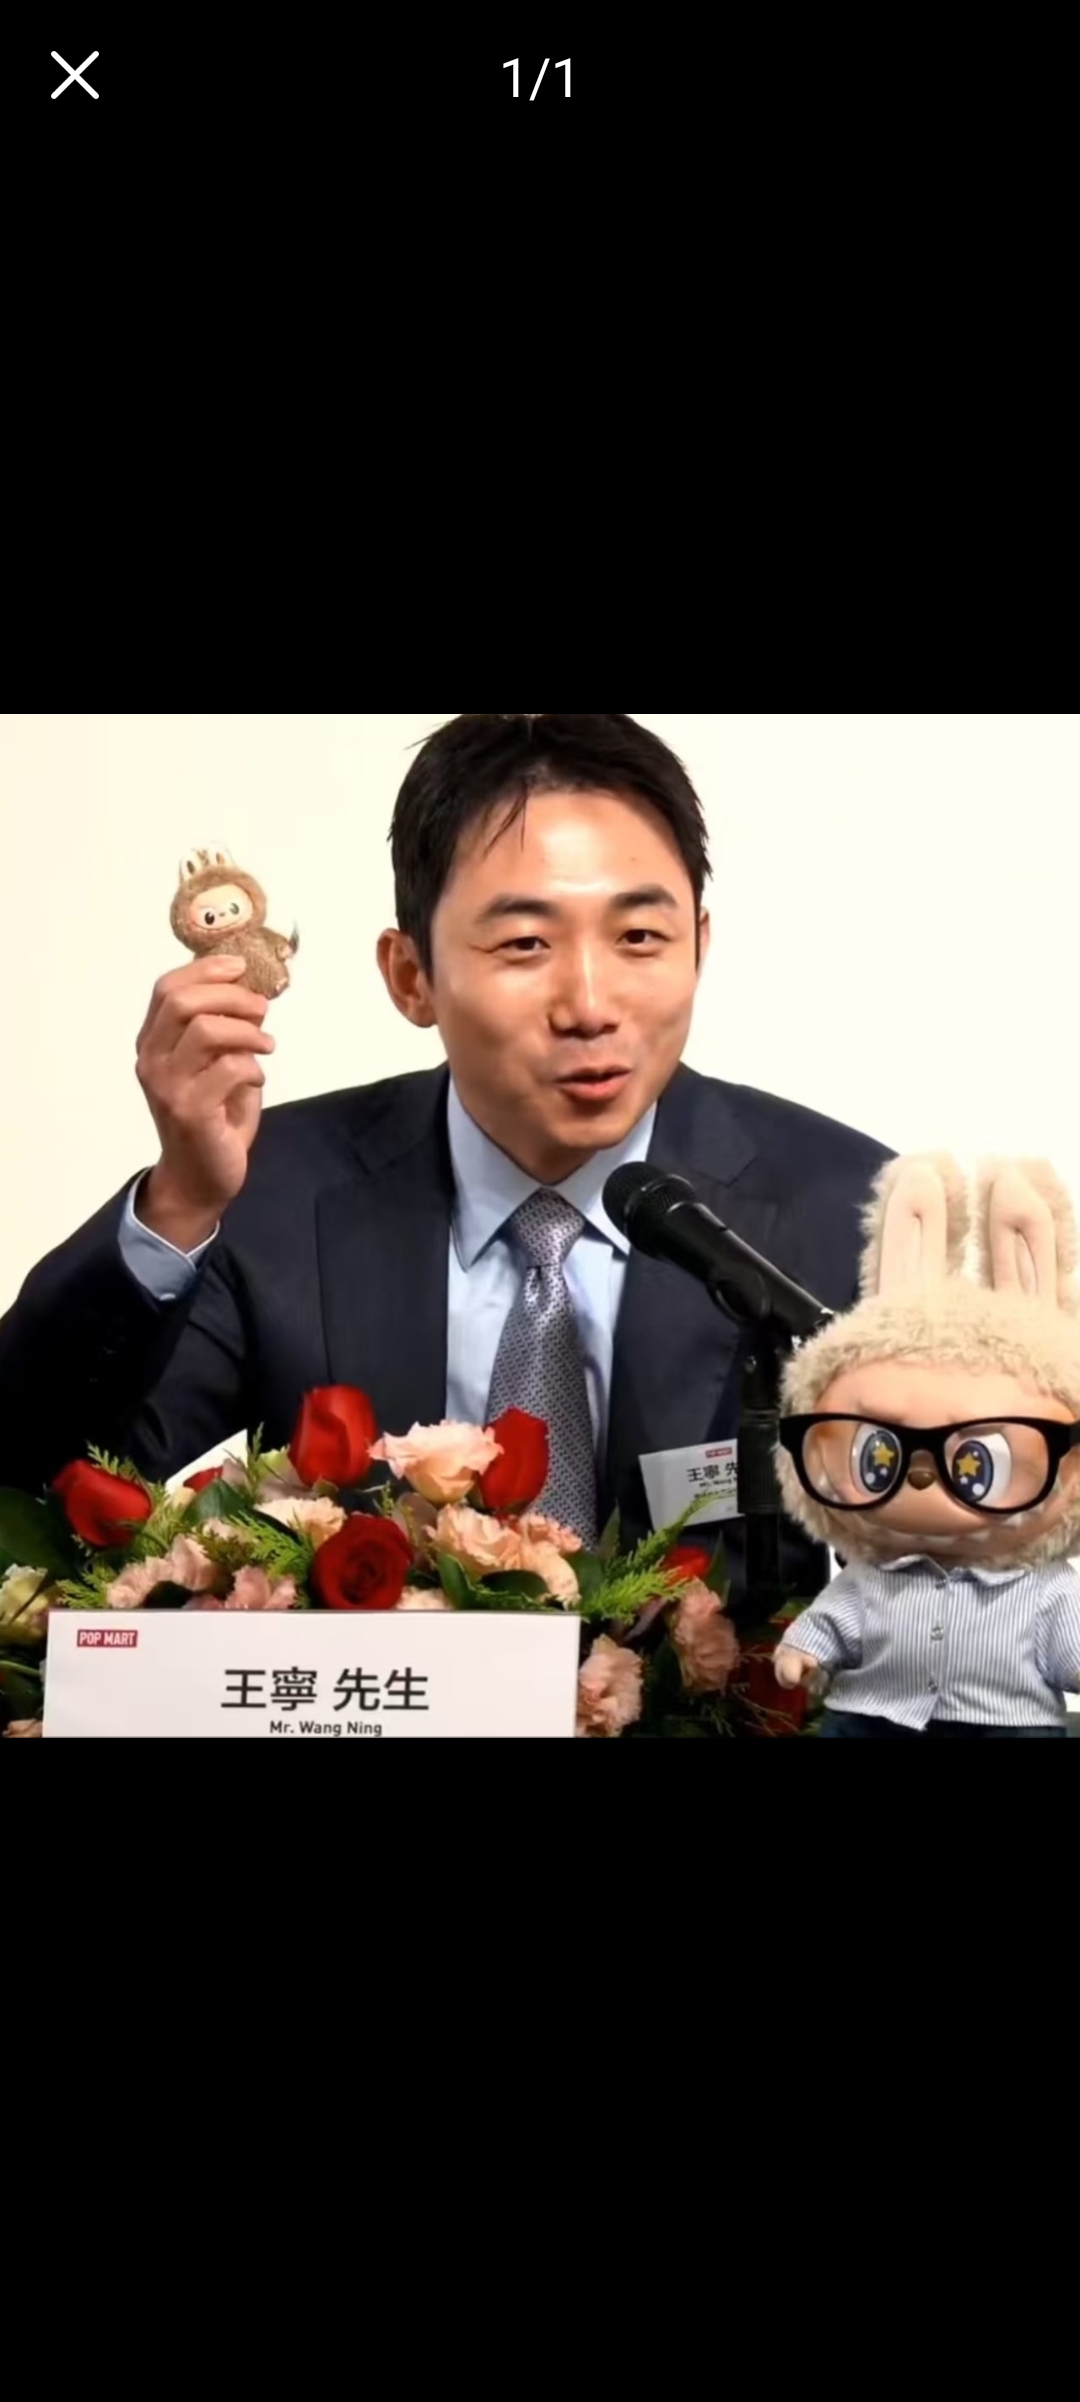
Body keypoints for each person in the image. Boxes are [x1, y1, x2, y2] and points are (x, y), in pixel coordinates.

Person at [0, 712, 891, 1590]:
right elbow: (33, 1483)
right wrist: (180, 1205)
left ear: (699, 945)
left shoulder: (845, 1210)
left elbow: (944, 1578)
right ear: (411, 977)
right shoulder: (271, 1192)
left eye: (639, 938)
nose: (591, 1005)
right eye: (526, 944)